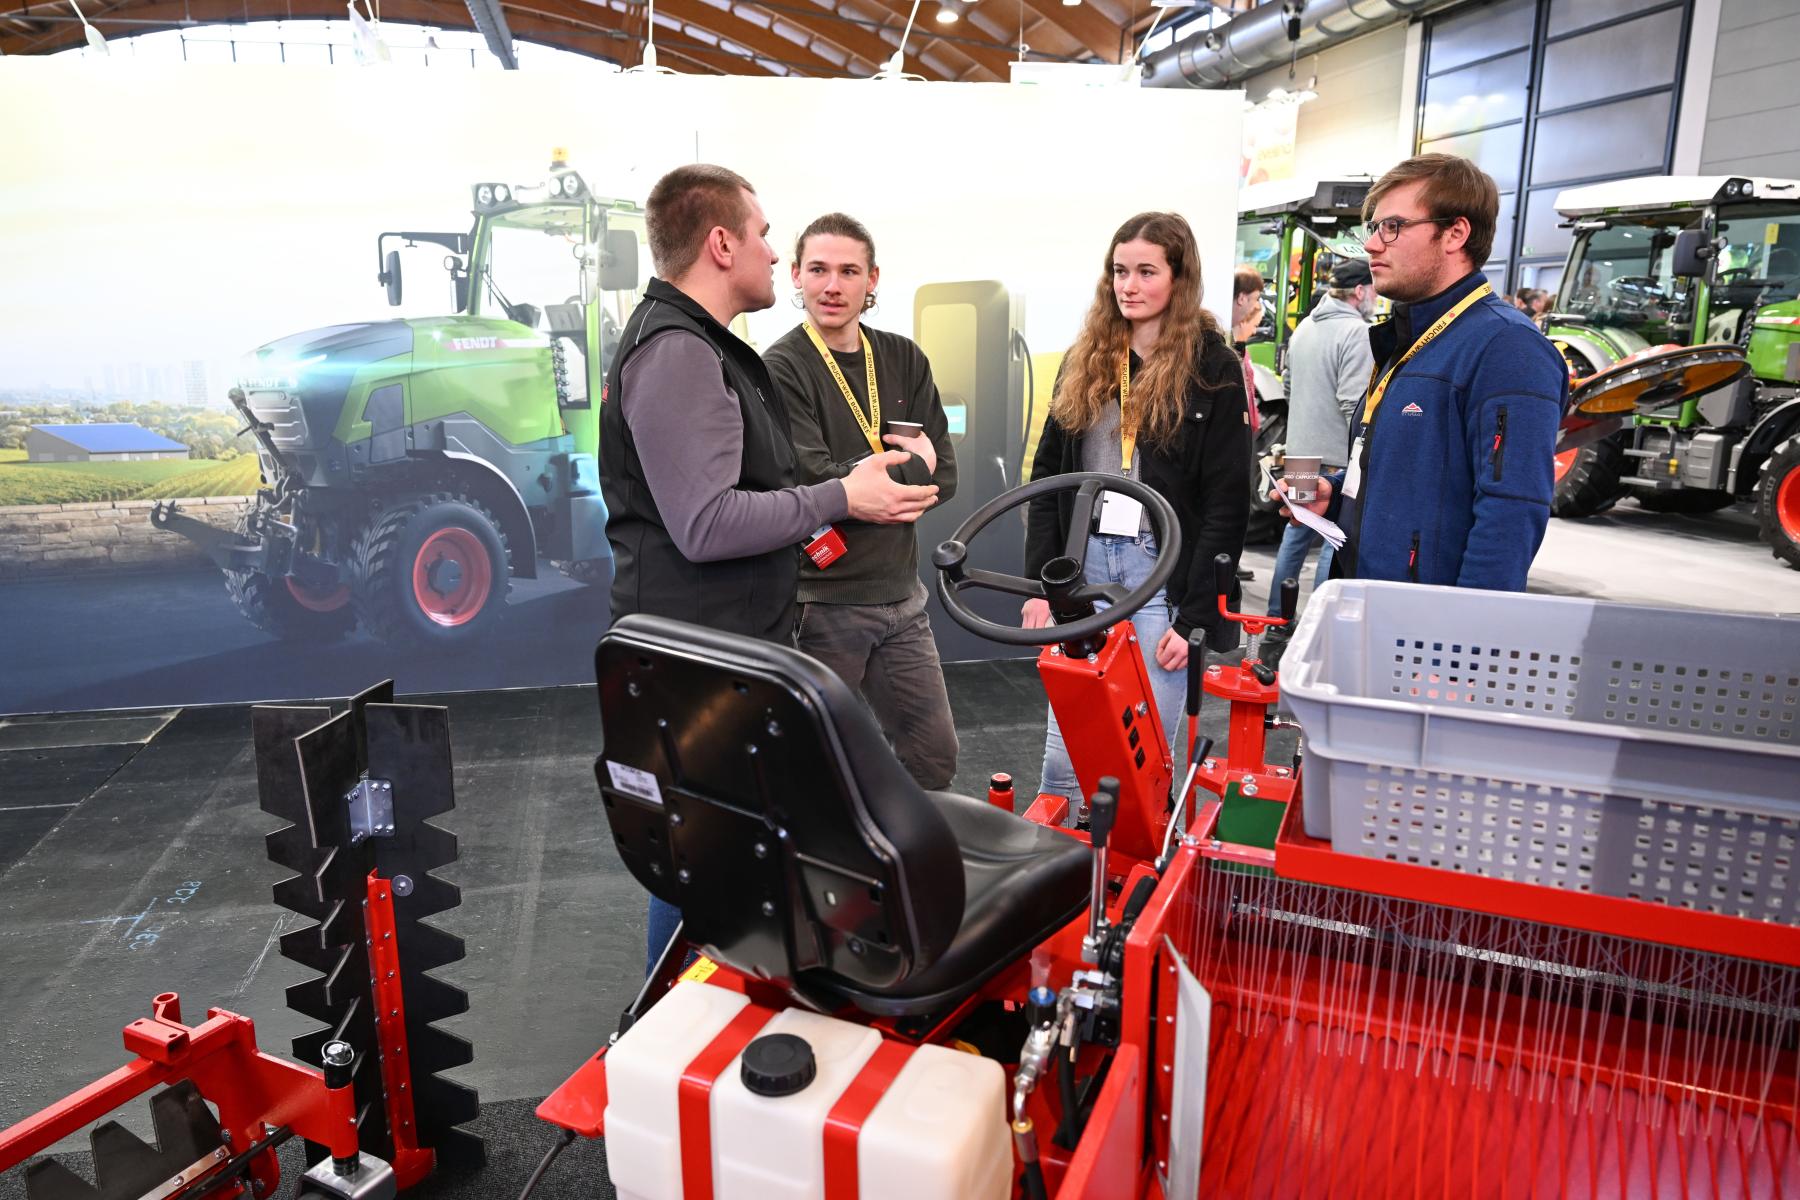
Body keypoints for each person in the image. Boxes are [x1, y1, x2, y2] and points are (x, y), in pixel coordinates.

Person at [599, 165, 939, 971]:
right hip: (695, 660)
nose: (771, 250)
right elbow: (707, 523)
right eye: (762, 234)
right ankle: (669, 1026)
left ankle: (697, 1015)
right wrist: (838, 496)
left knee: (718, 853)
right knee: (697, 860)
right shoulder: (680, 351)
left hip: (718, 649)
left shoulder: (698, 344)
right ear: (721, 244)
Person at [1024, 212, 1250, 802]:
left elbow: (1226, 503)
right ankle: (1067, 876)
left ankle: (1137, 884)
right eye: (1120, 271)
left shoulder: (1213, 370)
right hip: (1085, 563)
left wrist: (1197, 616)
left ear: (1179, 278)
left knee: (1141, 751)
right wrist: (1038, 586)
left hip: (1163, 572)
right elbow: (1048, 475)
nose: (1129, 285)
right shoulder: (1088, 359)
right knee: (1064, 754)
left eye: (1146, 272)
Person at [1284, 154, 1567, 590]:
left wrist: (1459, 645)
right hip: (1369, 604)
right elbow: (1411, 474)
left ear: (1455, 233)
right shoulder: (1408, 341)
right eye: (1373, 229)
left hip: (1425, 634)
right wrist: (1336, 494)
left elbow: (1510, 514)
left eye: (1392, 227)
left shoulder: (1508, 348)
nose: (1374, 245)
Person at [764, 214, 960, 790]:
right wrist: (895, 472)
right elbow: (815, 481)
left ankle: (904, 873)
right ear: (796, 275)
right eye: (819, 270)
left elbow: (942, 474)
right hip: (821, 605)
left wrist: (869, 486)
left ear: (871, 279)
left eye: (848, 271)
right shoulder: (781, 367)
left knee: (933, 761)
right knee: (809, 771)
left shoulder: (903, 358)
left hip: (902, 599)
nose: (832, 285)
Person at [1261, 258, 1374, 663]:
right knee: (1333, 538)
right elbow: (1353, 402)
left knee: (1294, 537)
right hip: (1335, 457)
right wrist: (1361, 453)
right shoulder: (1357, 332)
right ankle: (1321, 629)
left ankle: (1277, 621)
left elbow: (1288, 386)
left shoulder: (1304, 327)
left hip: (1301, 451)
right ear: (1360, 291)